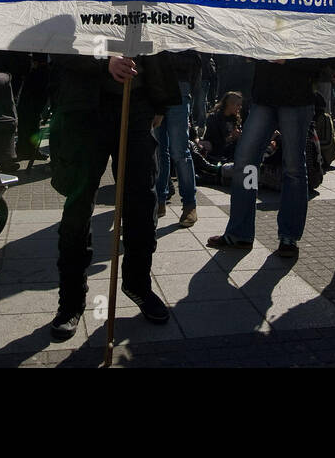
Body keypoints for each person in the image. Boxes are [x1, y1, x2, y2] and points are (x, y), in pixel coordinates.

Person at [46, 51, 178, 340]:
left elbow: (162, 34)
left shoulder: (143, 2)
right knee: (78, 208)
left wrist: (160, 101)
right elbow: (58, 45)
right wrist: (102, 61)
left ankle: (138, 284)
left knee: (143, 202)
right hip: (86, 107)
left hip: (138, 104)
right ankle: (71, 302)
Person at [207, 58, 319, 258]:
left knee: (293, 168)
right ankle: (241, 231)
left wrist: (288, 60)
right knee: (246, 161)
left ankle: (288, 236)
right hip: (265, 96)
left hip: (297, 97)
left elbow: (323, 57)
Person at [155, 50, 200, 227]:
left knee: (179, 151)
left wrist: (164, 58)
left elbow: (195, 61)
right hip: (157, 87)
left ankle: (189, 204)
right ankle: (159, 200)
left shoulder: (183, 30)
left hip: (178, 86)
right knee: (159, 151)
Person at [201, 91, 242, 161]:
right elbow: (214, 140)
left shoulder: (234, 118)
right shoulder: (214, 117)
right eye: (237, 105)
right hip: (215, 148)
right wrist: (231, 138)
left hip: (229, 148)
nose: (240, 107)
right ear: (229, 104)